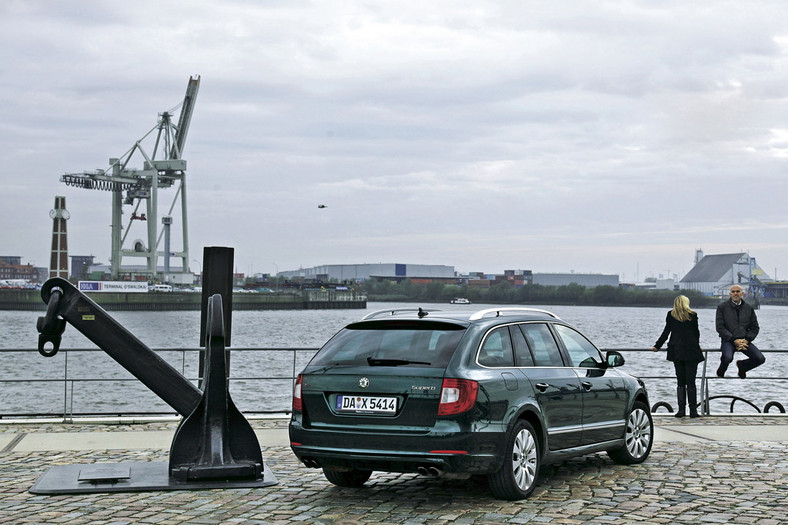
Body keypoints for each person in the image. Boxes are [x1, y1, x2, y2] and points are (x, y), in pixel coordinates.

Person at [652, 295, 704, 418]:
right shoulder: (692, 315)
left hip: (677, 350)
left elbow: (666, 332)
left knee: (680, 381)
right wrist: (697, 345)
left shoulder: (671, 315)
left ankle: (681, 410)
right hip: (691, 350)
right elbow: (696, 332)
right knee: (691, 382)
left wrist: (657, 346)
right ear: (686, 303)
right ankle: (693, 411)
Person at [715, 285, 765, 379]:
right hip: (728, 340)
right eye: (733, 292)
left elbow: (755, 328)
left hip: (744, 341)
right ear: (730, 294)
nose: (735, 294)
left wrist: (747, 340)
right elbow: (720, 327)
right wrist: (733, 340)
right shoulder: (722, 307)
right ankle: (721, 371)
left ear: (742, 293)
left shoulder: (749, 308)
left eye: (738, 291)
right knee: (727, 357)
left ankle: (742, 366)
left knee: (760, 359)